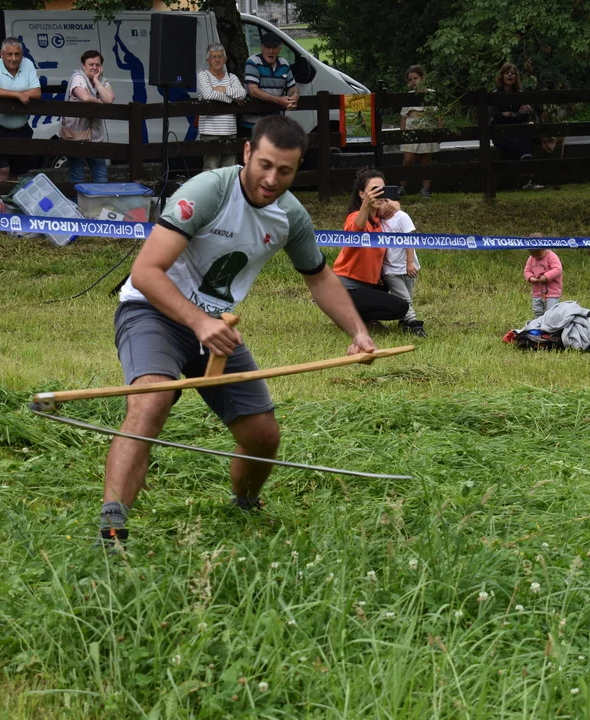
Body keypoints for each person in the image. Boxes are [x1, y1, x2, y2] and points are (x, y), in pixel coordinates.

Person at [99, 115, 375, 544]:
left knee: (262, 436)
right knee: (150, 401)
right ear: (247, 152)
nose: (271, 179)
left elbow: (319, 277)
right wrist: (199, 321)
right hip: (152, 311)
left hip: (215, 329)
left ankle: (244, 506)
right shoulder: (208, 192)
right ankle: (112, 531)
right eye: (264, 164)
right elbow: (146, 272)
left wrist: (357, 332)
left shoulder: (291, 216)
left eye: (284, 170)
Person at [332, 168, 413, 328]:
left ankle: (361, 317)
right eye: (374, 190)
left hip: (369, 285)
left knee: (390, 286)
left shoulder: (380, 220)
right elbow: (356, 231)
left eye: (382, 190)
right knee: (401, 307)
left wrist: (395, 203)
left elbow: (396, 213)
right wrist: (366, 204)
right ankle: (350, 316)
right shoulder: (354, 217)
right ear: (362, 194)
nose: (378, 194)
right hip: (345, 288)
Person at [0, 37, 41, 183]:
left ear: (22, 55)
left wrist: (12, 95)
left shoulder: (28, 64)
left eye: (17, 54)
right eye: (9, 54)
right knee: (2, 169)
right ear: (1, 54)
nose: (14, 58)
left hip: (21, 128)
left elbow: (37, 92)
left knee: (16, 172)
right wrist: (18, 95)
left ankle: (10, 198)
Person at [490, 63, 550, 191]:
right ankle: (526, 181)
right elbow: (497, 118)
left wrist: (511, 115)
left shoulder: (520, 94)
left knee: (526, 138)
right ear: (502, 76)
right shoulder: (496, 95)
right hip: (501, 135)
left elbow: (525, 116)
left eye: (512, 73)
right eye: (507, 73)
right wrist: (516, 114)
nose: (510, 75)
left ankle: (526, 180)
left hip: (517, 133)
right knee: (525, 141)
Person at [62, 50, 114, 185]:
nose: (94, 67)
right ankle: (75, 200)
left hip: (96, 136)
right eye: (91, 64)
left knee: (101, 175)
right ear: (83, 65)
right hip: (75, 136)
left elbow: (109, 99)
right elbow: (85, 97)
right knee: (77, 174)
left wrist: (96, 80)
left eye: (98, 65)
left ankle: (100, 199)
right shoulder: (77, 77)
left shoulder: (103, 80)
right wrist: (101, 103)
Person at [196, 43, 247, 171]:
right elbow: (208, 94)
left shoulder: (231, 77)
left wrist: (222, 88)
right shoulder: (203, 76)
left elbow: (242, 94)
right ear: (208, 60)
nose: (217, 60)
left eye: (220, 56)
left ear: (225, 59)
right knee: (211, 169)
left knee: (230, 170)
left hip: (229, 130)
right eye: (214, 57)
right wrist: (231, 99)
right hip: (210, 131)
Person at [380, 205, 425, 337]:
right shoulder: (376, 219)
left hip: (408, 266)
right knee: (404, 298)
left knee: (408, 296)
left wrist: (410, 262)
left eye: (383, 200)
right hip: (389, 268)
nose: (380, 204)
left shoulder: (402, 217)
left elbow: (409, 239)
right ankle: (415, 324)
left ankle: (403, 322)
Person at [241, 33, 298, 138]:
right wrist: (279, 100)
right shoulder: (253, 62)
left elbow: (293, 88)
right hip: (253, 124)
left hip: (275, 124)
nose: (271, 51)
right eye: (268, 47)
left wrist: (294, 97)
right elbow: (253, 91)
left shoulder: (284, 64)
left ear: (279, 49)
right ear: (261, 47)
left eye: (274, 47)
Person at [399, 65, 441, 199]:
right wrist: (402, 134)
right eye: (410, 79)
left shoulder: (432, 94)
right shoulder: (409, 96)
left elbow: (438, 115)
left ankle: (426, 189)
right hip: (411, 130)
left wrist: (439, 132)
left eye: (415, 78)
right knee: (408, 160)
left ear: (422, 78)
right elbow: (403, 117)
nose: (413, 82)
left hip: (427, 129)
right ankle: (402, 186)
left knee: (426, 160)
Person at [524, 240, 563, 317]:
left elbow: (558, 269)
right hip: (537, 292)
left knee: (551, 312)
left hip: (552, 291)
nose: (536, 257)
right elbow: (527, 270)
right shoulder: (531, 258)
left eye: (539, 254)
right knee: (537, 311)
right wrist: (530, 277)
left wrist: (546, 276)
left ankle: (550, 324)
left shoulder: (551, 256)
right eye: (534, 255)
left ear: (544, 248)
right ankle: (539, 323)